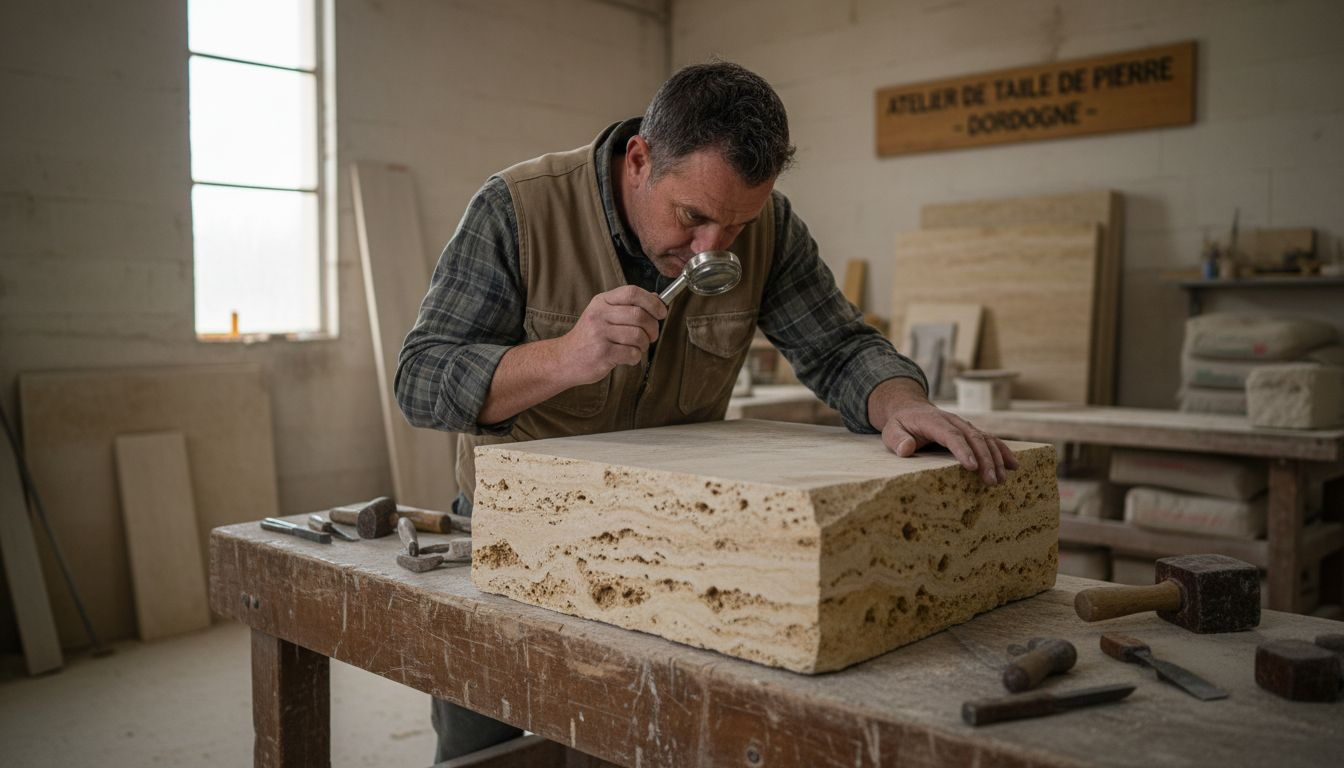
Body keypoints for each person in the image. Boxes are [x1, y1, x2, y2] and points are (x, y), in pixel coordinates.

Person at [396, 61, 1018, 764]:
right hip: (512, 540)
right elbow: (419, 380)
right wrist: (563, 356)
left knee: (639, 743)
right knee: (489, 746)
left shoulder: (768, 231)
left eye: (737, 223)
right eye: (692, 217)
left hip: (671, 546)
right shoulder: (517, 209)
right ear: (640, 159)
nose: (712, 250)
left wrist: (902, 403)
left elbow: (840, 347)